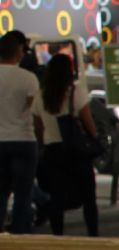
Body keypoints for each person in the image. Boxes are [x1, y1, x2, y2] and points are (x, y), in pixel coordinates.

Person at [30, 53, 99, 237]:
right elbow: (88, 121)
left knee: (56, 197)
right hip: (75, 150)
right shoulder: (75, 92)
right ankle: (93, 235)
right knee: (88, 197)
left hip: (52, 151)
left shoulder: (41, 95)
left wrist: (42, 146)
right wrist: (95, 138)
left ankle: (58, 235)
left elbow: (38, 127)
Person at [0, 34, 39, 234]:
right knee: (23, 195)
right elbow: (35, 110)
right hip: (23, 140)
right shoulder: (28, 78)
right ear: (19, 51)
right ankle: (21, 234)